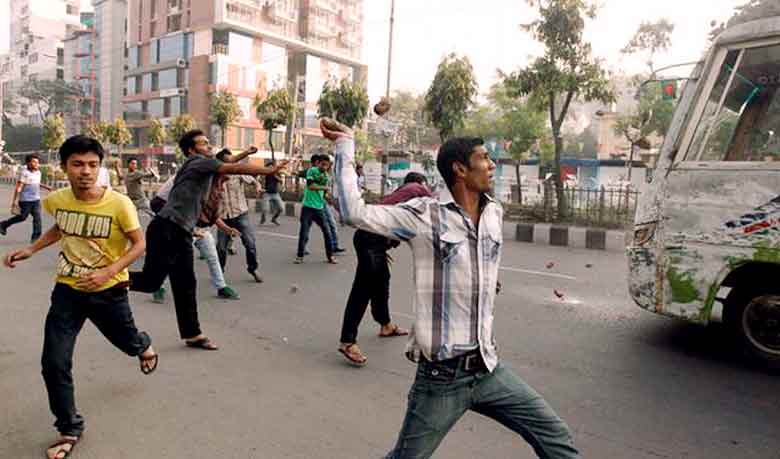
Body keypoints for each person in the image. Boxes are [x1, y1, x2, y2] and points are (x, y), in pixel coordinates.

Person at [323, 119, 579, 459]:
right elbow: (353, 212)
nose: (491, 165)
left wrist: (484, 281)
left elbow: (478, 264)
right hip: (441, 378)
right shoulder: (424, 215)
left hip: (488, 369)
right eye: (484, 158)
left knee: (556, 437)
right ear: (460, 169)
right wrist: (345, 144)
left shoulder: (494, 214)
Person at [2, 135, 158, 459]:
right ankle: (69, 428)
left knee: (127, 341)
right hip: (67, 292)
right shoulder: (58, 199)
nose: (85, 171)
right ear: (64, 167)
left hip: (109, 291)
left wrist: (107, 271)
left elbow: (139, 244)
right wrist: (31, 248)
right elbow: (62, 227)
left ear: (99, 168)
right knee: (53, 362)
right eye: (77, 164)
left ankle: (142, 346)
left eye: (92, 164)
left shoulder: (119, 204)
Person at [128, 130, 286, 351]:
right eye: (203, 143)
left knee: (185, 284)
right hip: (167, 228)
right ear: (192, 150)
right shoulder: (197, 162)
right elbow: (232, 167)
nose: (208, 145)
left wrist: (247, 154)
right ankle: (106, 280)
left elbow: (228, 161)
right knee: (150, 282)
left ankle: (193, 334)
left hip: (178, 230)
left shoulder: (204, 166)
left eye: (208, 141)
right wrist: (268, 170)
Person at [338, 172, 432, 366]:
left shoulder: (401, 194)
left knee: (381, 282)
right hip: (371, 239)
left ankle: (386, 325)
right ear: (421, 183)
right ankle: (347, 341)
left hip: (371, 239)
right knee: (363, 289)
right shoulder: (418, 190)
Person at [149, 156, 241, 303]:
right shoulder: (183, 183)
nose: (223, 186)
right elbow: (161, 206)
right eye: (222, 180)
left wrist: (227, 229)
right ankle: (158, 287)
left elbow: (211, 214)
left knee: (212, 257)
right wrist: (190, 230)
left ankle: (221, 287)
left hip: (200, 229)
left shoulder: (209, 184)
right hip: (180, 226)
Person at [215, 149, 264, 283]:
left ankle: (253, 269)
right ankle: (219, 272)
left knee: (250, 243)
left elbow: (254, 181)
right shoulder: (215, 176)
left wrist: (258, 187)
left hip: (240, 214)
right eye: (228, 161)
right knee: (220, 248)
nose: (232, 163)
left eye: (233, 160)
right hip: (223, 217)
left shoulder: (238, 172)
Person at [295, 154, 337, 264]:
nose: (324, 167)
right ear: (319, 163)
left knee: (327, 232)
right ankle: (300, 256)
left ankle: (330, 256)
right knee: (304, 232)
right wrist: (325, 188)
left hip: (319, 208)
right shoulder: (312, 171)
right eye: (322, 164)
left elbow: (325, 194)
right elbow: (310, 186)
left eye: (326, 165)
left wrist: (330, 199)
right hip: (307, 207)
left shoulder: (327, 177)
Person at [0, 153, 51, 241]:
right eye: (34, 162)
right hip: (25, 200)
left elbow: (36, 183)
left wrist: (47, 187)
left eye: (37, 162)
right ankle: (3, 224)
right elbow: (19, 187)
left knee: (37, 217)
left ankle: (36, 237)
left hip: (36, 200)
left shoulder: (38, 173)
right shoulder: (24, 173)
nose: (36, 164)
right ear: (28, 163)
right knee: (23, 217)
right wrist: (15, 201)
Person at [259, 159, 284, 226]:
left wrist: (275, 175)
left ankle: (274, 219)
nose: (270, 168)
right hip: (267, 193)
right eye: (269, 167)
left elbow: (281, 181)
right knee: (265, 209)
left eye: (271, 167)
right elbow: (261, 179)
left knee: (281, 208)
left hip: (275, 193)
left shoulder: (277, 173)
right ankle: (263, 218)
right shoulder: (266, 174)